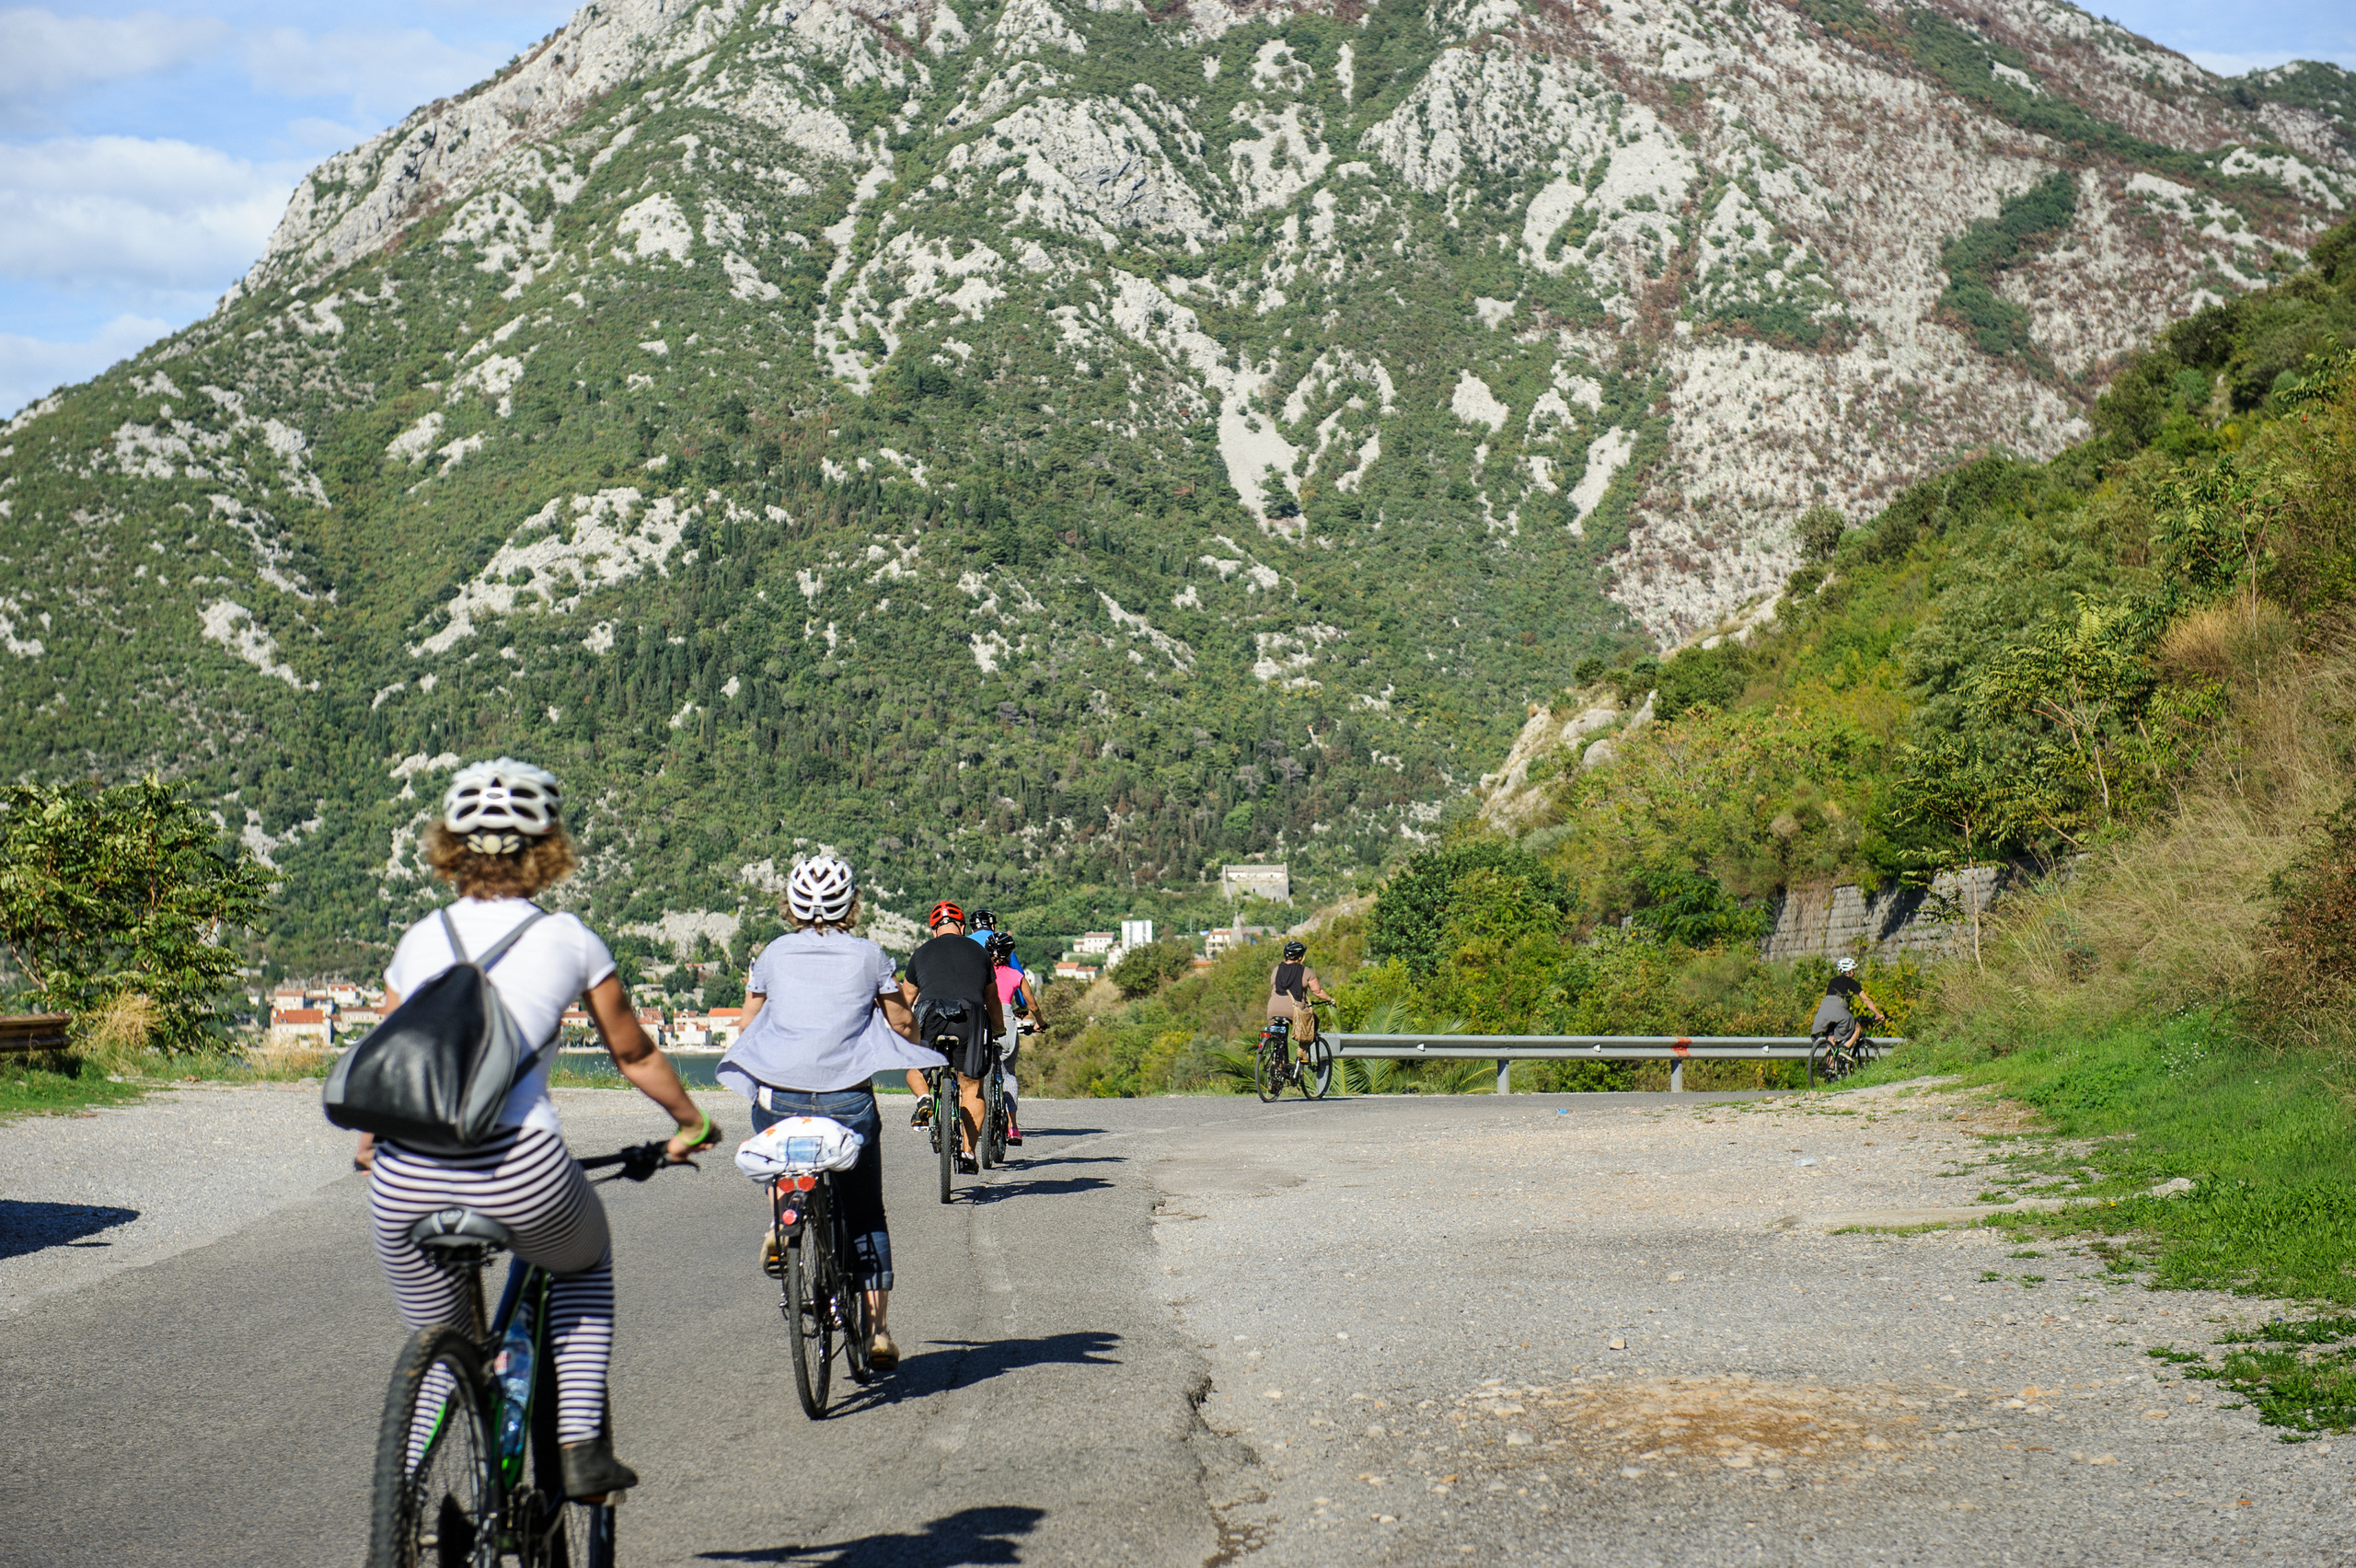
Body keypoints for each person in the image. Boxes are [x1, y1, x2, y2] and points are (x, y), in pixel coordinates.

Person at [352, 758, 719, 1502]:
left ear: (449, 845)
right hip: (521, 1170)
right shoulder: (570, 940)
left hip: (403, 1179)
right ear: (548, 848)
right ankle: (580, 1446)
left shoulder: (419, 939)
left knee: (440, 1345)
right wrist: (691, 1121)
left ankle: (408, 1486)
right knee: (583, 1263)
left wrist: (368, 1145)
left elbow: (388, 1061)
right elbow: (634, 1053)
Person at [718, 855, 936, 1371]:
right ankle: (879, 1332)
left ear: (790, 906)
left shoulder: (771, 953)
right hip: (847, 1100)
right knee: (865, 1215)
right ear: (852, 904)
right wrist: (913, 1038)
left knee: (777, 1139)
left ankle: (782, 1214)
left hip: (780, 1096)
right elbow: (902, 1024)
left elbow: (749, 1022)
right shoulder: (869, 955)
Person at [902, 900, 1006, 1173]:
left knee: (915, 1067)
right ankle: (968, 1152)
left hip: (930, 1014)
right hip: (969, 1016)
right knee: (971, 1086)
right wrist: (999, 1028)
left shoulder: (920, 953)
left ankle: (924, 1097)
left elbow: (907, 998)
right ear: (961, 927)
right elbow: (992, 998)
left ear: (934, 930)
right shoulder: (980, 952)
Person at [982, 929, 1032, 1147]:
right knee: (1008, 1073)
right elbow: (1033, 1005)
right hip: (1007, 1022)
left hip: (982, 1021)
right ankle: (1012, 1126)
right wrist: (1038, 1021)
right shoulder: (1015, 975)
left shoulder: (980, 973)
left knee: (976, 1073)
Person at [1266, 940, 1334, 1060]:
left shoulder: (1276, 970)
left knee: (1278, 1039)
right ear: (1301, 957)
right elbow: (1318, 992)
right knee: (1313, 1023)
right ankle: (1302, 1050)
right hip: (1294, 1010)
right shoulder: (1306, 971)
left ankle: (1277, 1064)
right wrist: (1330, 999)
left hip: (1273, 1009)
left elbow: (1273, 985)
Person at [1810, 956, 1888, 1054]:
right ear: (1850, 971)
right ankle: (1845, 1048)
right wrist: (1878, 1014)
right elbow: (1866, 1001)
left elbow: (1829, 1001)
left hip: (1824, 1012)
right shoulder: (1853, 983)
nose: (1853, 973)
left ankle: (1829, 1068)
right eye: (1853, 970)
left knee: (1831, 1042)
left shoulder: (1832, 981)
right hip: (1838, 1010)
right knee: (1858, 1027)